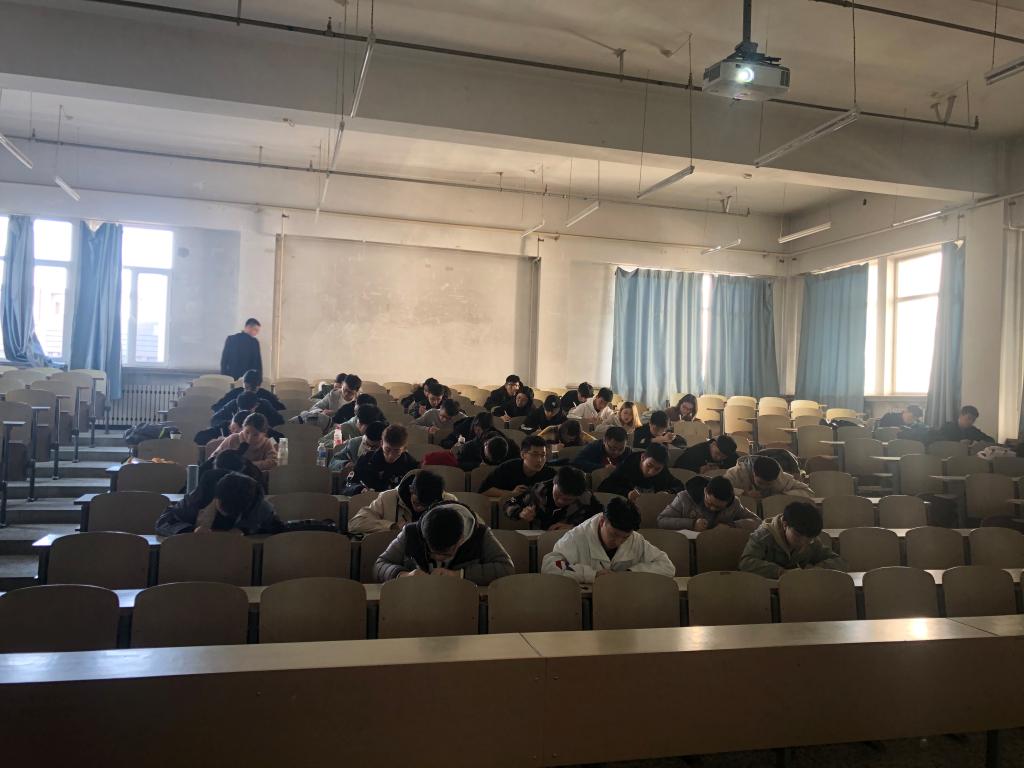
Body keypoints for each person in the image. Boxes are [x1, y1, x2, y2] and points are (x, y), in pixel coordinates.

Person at [374, 502, 514, 586]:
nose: (438, 558)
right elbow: (379, 565)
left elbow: (506, 568)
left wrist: (459, 575)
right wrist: (404, 575)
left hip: (461, 602)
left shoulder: (480, 534)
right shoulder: (411, 532)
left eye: (446, 554)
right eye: (432, 553)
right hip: (416, 600)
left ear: (461, 539)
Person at [542, 497, 674, 583]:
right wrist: (592, 575)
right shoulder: (576, 537)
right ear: (602, 522)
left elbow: (667, 567)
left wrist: (629, 573)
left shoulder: (635, 539)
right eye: (613, 534)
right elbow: (550, 566)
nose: (618, 542)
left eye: (625, 537)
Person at [739, 500, 847, 578]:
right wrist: (781, 572)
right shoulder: (763, 536)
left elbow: (839, 561)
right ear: (785, 525)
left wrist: (816, 569)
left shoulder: (811, 540)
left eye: (809, 539)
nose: (803, 542)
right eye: (798, 535)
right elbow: (745, 563)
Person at [156, 470, 281, 536]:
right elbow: (163, 522)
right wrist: (191, 530)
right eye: (224, 508)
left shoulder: (256, 500)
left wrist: (245, 530)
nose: (228, 514)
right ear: (217, 498)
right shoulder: (201, 496)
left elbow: (276, 527)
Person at [349, 470, 458, 534]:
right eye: (417, 503)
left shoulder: (448, 502)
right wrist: (392, 527)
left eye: (425, 505)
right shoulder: (388, 498)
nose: (419, 508)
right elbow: (355, 523)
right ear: (411, 489)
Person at [503, 465, 602, 531]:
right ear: (554, 483)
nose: (560, 501)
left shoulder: (586, 498)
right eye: (558, 494)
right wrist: (520, 512)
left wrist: (574, 527)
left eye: (568, 499)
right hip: (539, 542)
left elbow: (602, 519)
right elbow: (508, 504)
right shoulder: (538, 490)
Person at [657, 475, 759, 531]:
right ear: (705, 491)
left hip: (718, 545)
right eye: (709, 503)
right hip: (688, 545)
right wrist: (692, 524)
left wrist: (731, 525)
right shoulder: (684, 498)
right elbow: (661, 521)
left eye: (718, 507)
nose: (712, 509)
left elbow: (757, 521)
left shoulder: (734, 504)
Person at [343, 424, 420, 494]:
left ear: (404, 448)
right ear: (381, 443)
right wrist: (360, 489)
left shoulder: (411, 466)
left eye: (396, 451)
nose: (391, 455)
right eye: (387, 449)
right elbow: (348, 485)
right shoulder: (366, 459)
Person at [597, 443, 684, 500]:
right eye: (649, 465)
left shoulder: (662, 468)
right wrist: (627, 493)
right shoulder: (628, 464)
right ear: (642, 458)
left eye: (657, 469)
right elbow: (604, 487)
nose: (651, 472)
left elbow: (679, 486)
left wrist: (668, 492)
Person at [479, 434, 556, 498]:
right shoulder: (508, 468)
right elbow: (484, 491)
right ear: (522, 455)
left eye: (543, 455)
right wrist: (511, 493)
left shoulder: (549, 474)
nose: (539, 460)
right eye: (534, 454)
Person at [209, 412, 279, 470]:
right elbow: (213, 457)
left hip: (254, 479)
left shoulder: (266, 443)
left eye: (255, 435)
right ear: (243, 428)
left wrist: (248, 465)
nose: (249, 438)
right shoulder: (233, 439)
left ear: (264, 434)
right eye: (247, 432)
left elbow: (274, 462)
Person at [724, 455, 813, 499]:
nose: (764, 487)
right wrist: (744, 494)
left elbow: (808, 492)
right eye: (760, 483)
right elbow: (719, 490)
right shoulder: (735, 473)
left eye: (769, 484)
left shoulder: (781, 478)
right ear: (753, 473)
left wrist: (781, 496)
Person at [210, 390, 284, 433]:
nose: (244, 415)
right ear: (237, 405)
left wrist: (263, 426)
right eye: (241, 411)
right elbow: (214, 420)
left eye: (248, 412)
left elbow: (280, 421)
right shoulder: (233, 404)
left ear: (256, 405)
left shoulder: (264, 404)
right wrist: (228, 424)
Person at [211, 369, 284, 413]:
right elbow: (216, 407)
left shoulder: (267, 396)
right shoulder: (235, 393)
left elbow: (281, 411)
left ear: (259, 386)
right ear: (243, 384)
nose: (248, 391)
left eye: (252, 389)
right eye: (246, 388)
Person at [674, 435, 739, 473]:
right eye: (717, 453)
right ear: (713, 444)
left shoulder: (730, 453)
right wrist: (698, 469)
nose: (719, 458)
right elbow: (678, 468)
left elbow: (738, 468)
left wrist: (720, 468)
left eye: (723, 456)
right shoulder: (697, 451)